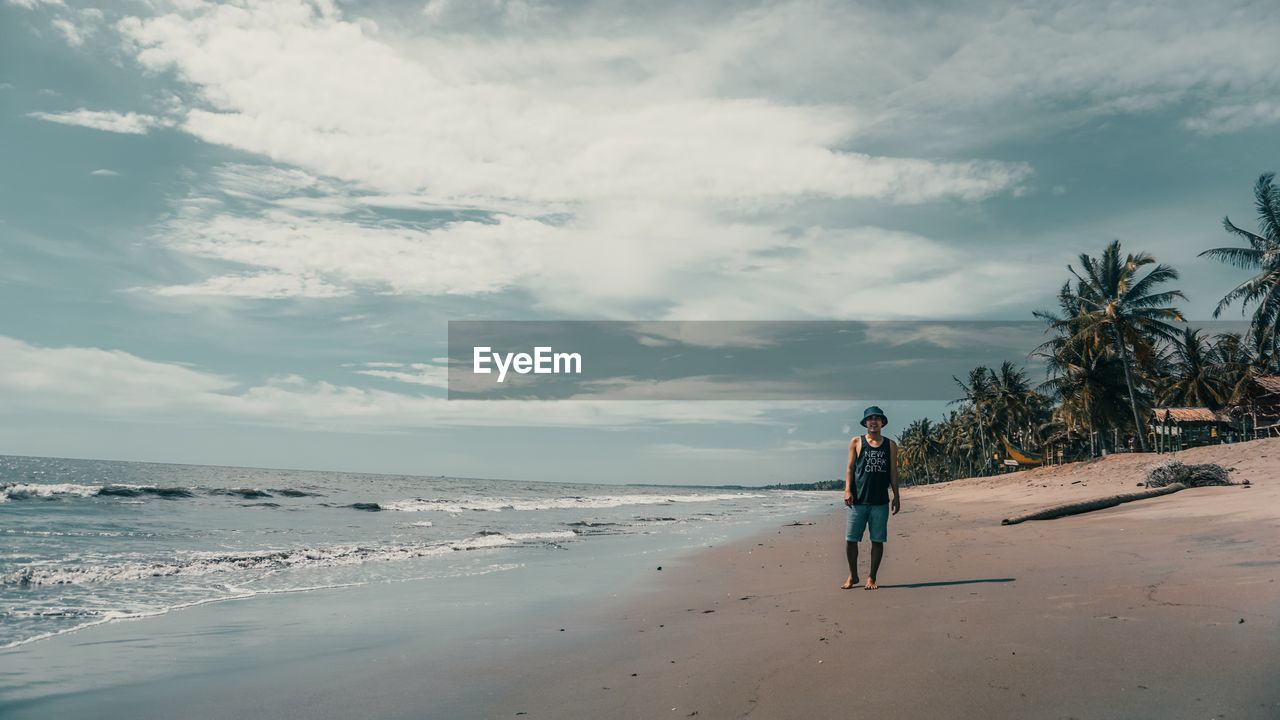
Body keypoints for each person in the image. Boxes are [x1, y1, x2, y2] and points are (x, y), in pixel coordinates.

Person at [842, 406, 900, 590]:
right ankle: (853, 575)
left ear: (882, 422)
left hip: (880, 502)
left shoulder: (890, 445)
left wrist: (896, 496)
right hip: (857, 501)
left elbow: (893, 472)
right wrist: (847, 490)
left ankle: (872, 578)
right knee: (851, 540)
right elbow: (850, 468)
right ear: (865, 423)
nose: (873, 421)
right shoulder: (856, 442)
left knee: (877, 540)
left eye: (877, 418)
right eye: (870, 419)